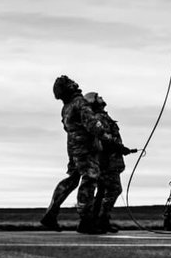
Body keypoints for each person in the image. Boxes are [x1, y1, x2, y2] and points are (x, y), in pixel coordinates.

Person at [40, 74, 105, 234]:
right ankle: (86, 221)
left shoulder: (66, 107)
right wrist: (103, 132)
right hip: (86, 149)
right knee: (90, 179)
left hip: (73, 148)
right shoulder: (80, 103)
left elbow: (67, 127)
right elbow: (93, 125)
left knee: (72, 180)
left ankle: (51, 213)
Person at [84, 91, 136, 234]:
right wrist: (121, 148)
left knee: (102, 191)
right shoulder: (100, 117)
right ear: (94, 102)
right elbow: (105, 140)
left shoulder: (102, 117)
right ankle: (101, 220)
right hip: (107, 161)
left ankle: (98, 221)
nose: (102, 98)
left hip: (108, 160)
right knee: (114, 189)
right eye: (98, 97)